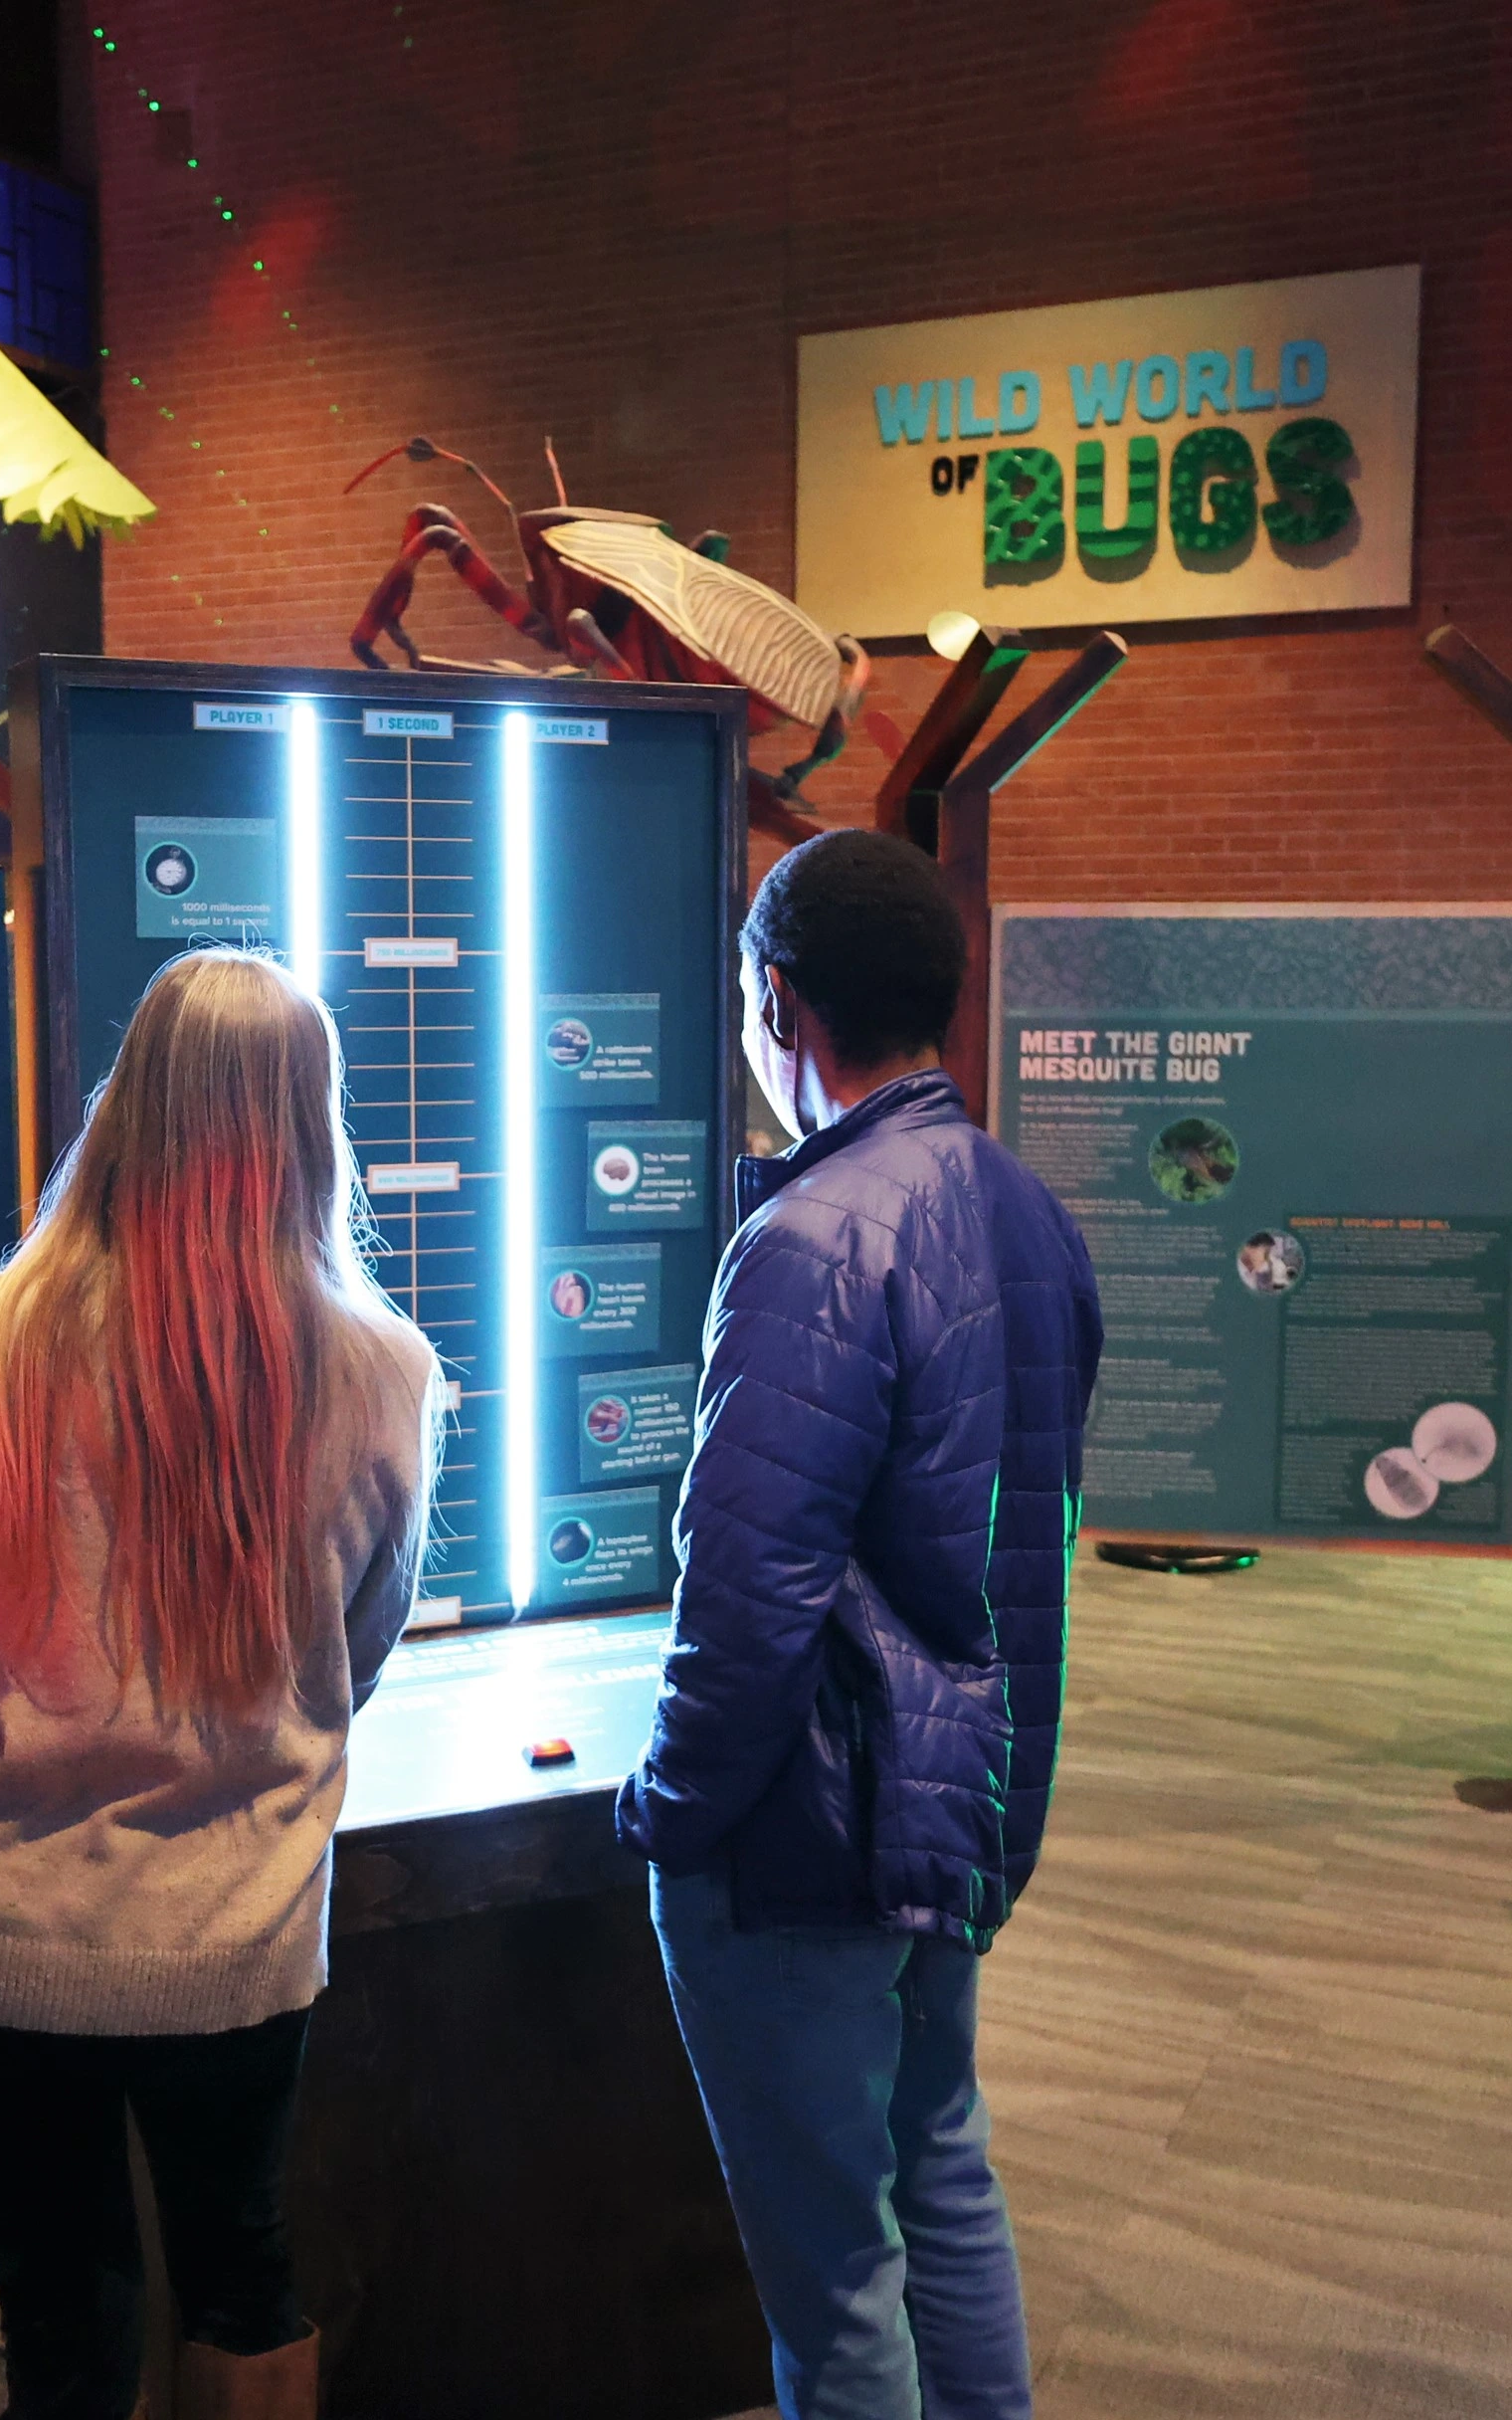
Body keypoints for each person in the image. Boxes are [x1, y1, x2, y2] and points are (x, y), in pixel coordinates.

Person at [0, 950, 440, 2420]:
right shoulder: (386, 1372)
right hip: (236, 1940)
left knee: (61, 2313)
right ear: (311, 1124)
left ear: (126, 1108)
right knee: (242, 2276)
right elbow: (360, 1648)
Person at [618, 829, 1104, 2420]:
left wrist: (673, 1807)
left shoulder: (809, 1239)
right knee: (941, 2172)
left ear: (780, 1000)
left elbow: (748, 1589)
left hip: (809, 1838)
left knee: (833, 2279)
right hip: (959, 1807)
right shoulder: (1028, 1210)